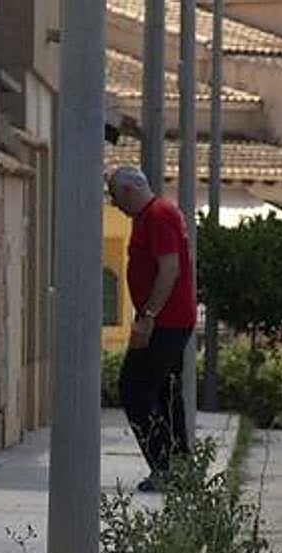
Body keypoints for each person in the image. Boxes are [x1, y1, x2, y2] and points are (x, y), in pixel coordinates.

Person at [106, 165, 197, 492]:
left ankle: (165, 466)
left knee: (135, 388)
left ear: (130, 190)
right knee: (166, 394)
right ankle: (181, 466)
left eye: (115, 196)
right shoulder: (155, 215)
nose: (114, 204)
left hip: (164, 322)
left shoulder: (157, 215)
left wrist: (148, 317)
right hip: (171, 320)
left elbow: (169, 268)